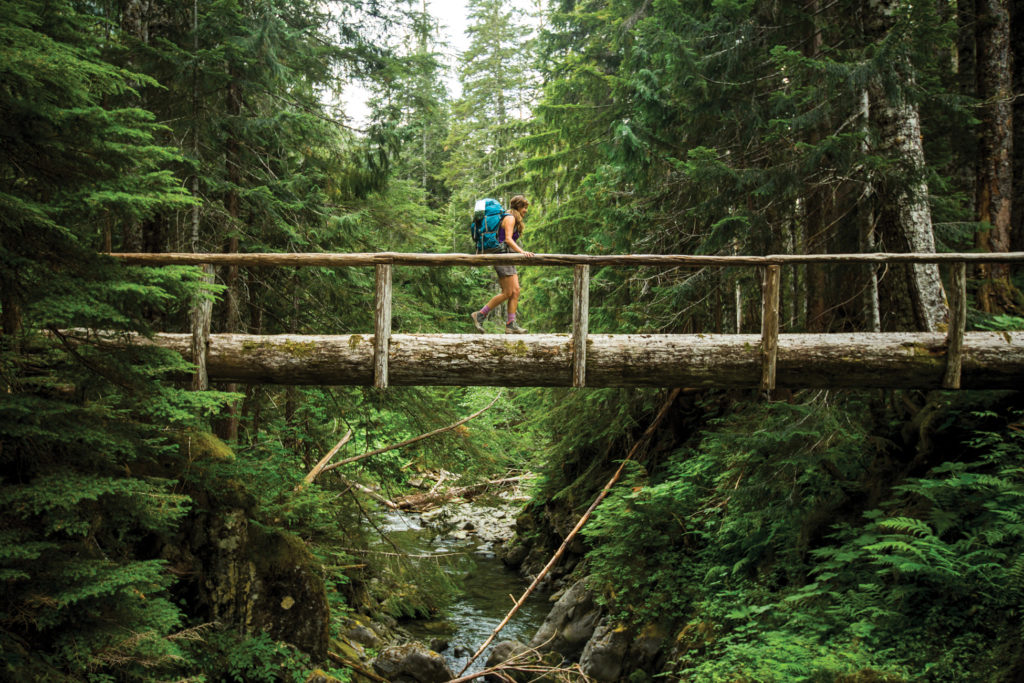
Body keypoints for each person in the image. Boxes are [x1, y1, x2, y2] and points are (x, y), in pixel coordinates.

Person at [470, 194, 534, 334]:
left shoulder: (511, 218)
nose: (526, 210)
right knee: (507, 292)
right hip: (501, 256)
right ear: (518, 207)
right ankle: (480, 314)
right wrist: (522, 252)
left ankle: (511, 324)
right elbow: (508, 240)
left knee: (515, 291)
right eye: (524, 207)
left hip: (507, 257)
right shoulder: (510, 218)